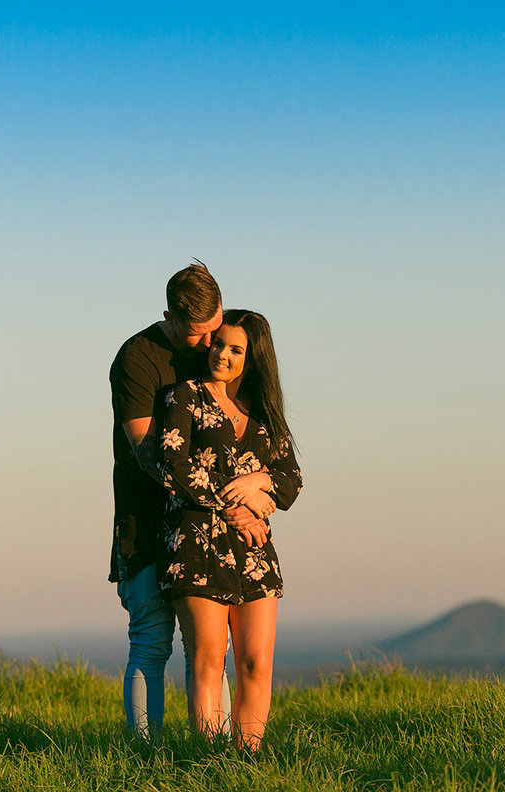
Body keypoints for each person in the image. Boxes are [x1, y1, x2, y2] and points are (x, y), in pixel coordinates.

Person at [109, 260, 259, 737]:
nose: (210, 346)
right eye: (198, 335)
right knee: (152, 639)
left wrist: (258, 490)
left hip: (209, 528)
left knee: (212, 650)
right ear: (169, 318)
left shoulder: (221, 348)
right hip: (147, 519)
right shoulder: (137, 359)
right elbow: (149, 453)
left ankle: (219, 758)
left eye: (215, 331)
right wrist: (228, 500)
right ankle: (142, 755)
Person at [157, 309, 302, 750]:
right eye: (217, 344)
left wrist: (261, 486)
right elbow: (172, 465)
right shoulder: (184, 397)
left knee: (256, 664)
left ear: (253, 358)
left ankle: (248, 760)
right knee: (207, 661)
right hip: (198, 544)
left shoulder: (265, 413)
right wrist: (235, 503)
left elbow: (292, 481)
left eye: (235, 349)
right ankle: (208, 761)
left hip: (254, 552)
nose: (221, 354)